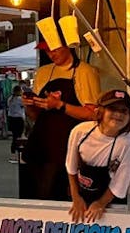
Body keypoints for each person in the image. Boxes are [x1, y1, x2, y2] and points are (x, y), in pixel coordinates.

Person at [20, 42, 100, 200]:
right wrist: (29, 105)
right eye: (47, 51)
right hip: (42, 144)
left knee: (59, 195)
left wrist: (60, 105)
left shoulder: (85, 71)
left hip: (69, 145)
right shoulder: (43, 72)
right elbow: (36, 116)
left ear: (68, 47)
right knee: (37, 194)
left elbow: (92, 115)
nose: (51, 54)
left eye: (55, 49)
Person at [66, 89, 130, 223]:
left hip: (109, 199)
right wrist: (76, 198)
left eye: (124, 111)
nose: (118, 114)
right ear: (100, 112)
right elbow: (71, 167)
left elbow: (120, 183)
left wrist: (100, 204)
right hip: (79, 191)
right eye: (112, 109)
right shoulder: (80, 131)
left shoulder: (129, 144)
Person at [6, 84, 27, 162]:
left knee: (14, 136)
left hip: (11, 119)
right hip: (18, 119)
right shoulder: (19, 99)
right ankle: (18, 155)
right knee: (18, 137)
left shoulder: (10, 99)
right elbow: (25, 106)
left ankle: (13, 154)